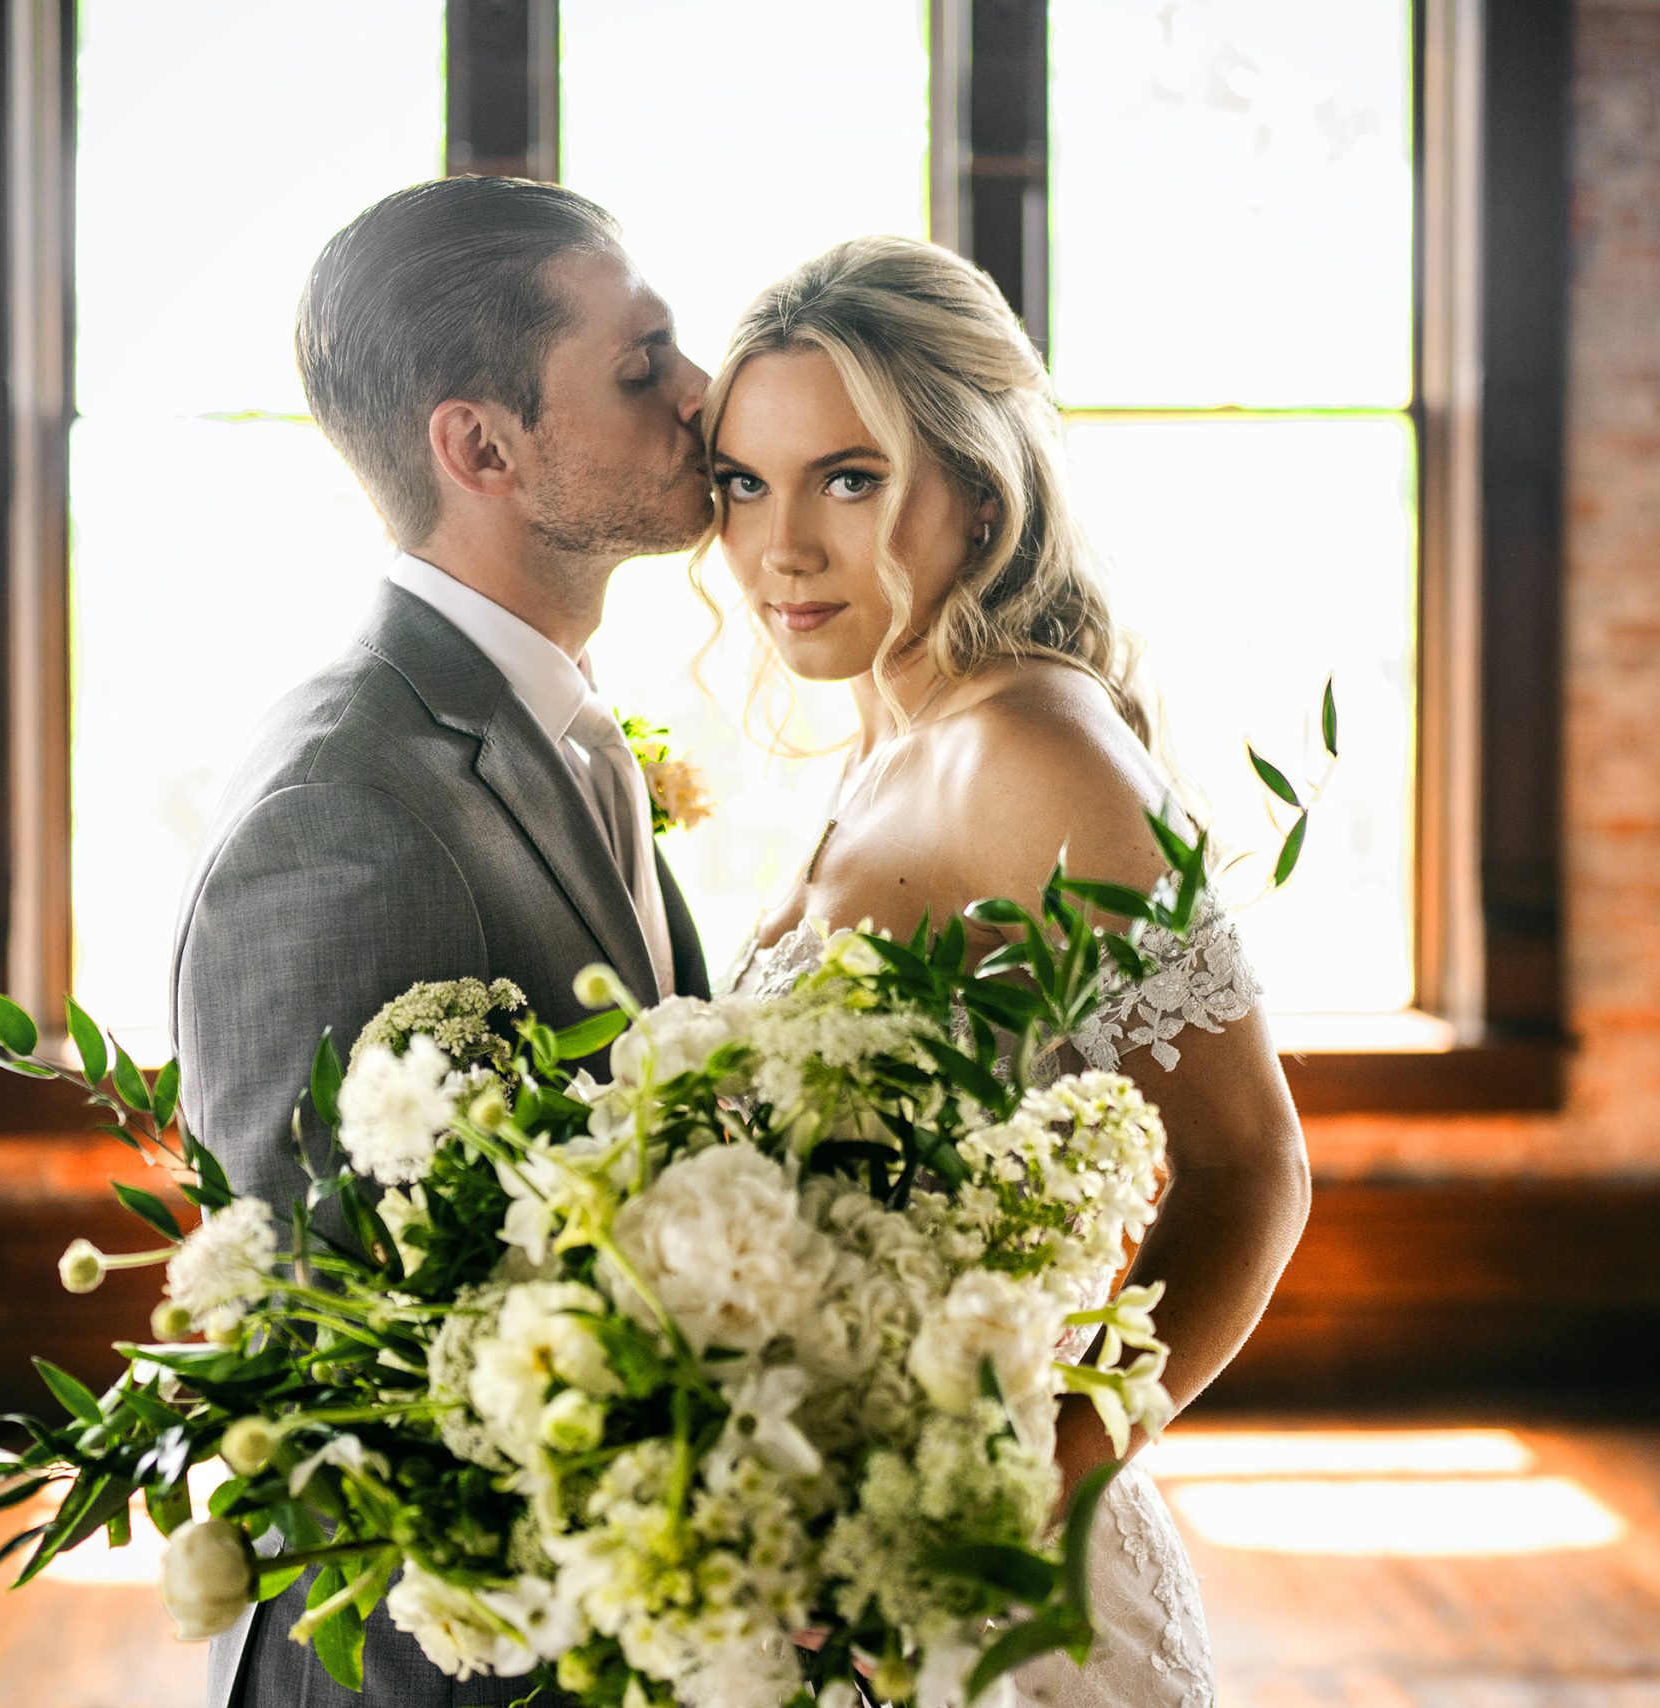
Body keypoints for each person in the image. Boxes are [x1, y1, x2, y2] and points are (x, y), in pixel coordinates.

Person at [708, 236, 1312, 1707]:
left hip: (987, 1595)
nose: (782, 543)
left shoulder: (1033, 750)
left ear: (980, 489)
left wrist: (1031, 1484)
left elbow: (1250, 1168)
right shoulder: (895, 736)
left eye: (849, 478)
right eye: (743, 481)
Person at [168, 175, 713, 1708]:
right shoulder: (338, 815)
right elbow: (336, 1381)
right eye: (641, 364)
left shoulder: (542, 722)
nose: (701, 398)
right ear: (479, 446)